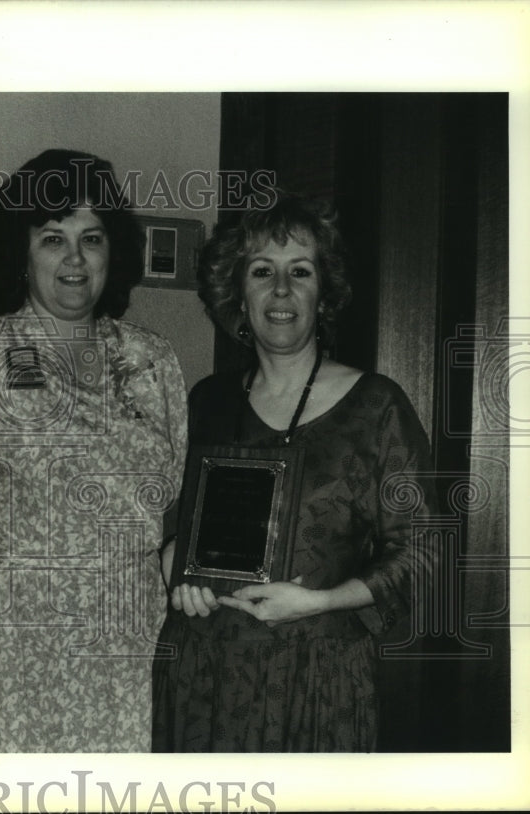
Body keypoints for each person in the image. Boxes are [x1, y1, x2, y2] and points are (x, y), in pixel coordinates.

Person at [0, 149, 188, 752]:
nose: (74, 258)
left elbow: (171, 505)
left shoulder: (154, 361)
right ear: (21, 251)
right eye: (52, 238)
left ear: (112, 250)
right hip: (5, 645)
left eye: (91, 237)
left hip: (126, 645)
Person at [152, 191, 438, 752]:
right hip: (205, 672)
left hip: (318, 678)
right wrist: (176, 570)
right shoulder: (206, 402)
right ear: (238, 290)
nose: (281, 290)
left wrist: (321, 601)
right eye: (262, 271)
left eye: (299, 272)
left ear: (323, 292)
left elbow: (424, 550)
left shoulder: (376, 405)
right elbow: (176, 525)